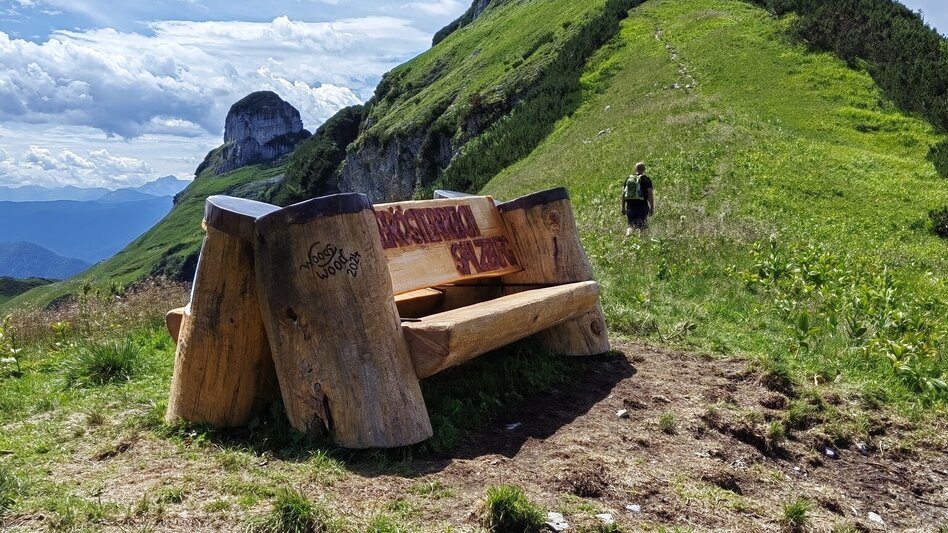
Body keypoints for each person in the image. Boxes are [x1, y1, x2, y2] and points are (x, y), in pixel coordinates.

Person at [621, 161, 654, 237]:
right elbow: (649, 193)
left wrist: (623, 207)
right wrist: (652, 207)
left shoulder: (629, 179)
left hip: (630, 205)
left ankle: (628, 236)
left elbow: (623, 193)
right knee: (642, 225)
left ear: (635, 169)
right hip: (642, 205)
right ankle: (641, 242)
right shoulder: (646, 179)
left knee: (631, 225)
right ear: (644, 169)